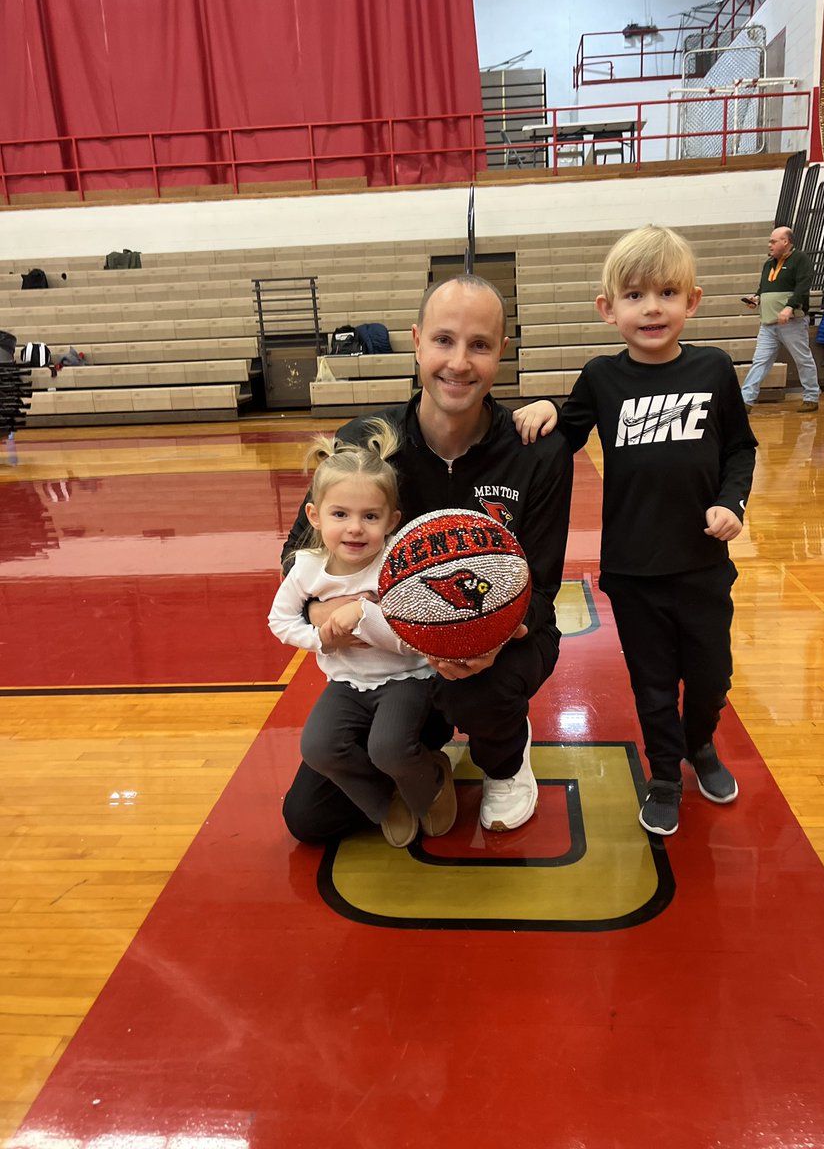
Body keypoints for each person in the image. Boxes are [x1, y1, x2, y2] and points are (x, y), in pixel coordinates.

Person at [280, 273, 573, 842]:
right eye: (443, 340)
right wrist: (322, 614)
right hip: (394, 662)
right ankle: (419, 765)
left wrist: (488, 642)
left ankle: (506, 759)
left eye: (479, 345)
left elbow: (540, 589)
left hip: (495, 648)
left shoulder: (537, 452)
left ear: (501, 354)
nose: (459, 363)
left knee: (482, 690)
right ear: (416, 341)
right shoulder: (365, 440)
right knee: (309, 819)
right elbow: (298, 556)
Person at [513, 225, 757, 836]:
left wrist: (733, 503)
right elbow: (561, 440)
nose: (652, 307)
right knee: (652, 685)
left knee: (710, 677)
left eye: (667, 292)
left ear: (692, 301)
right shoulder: (601, 378)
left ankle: (701, 745)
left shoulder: (714, 369)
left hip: (702, 565)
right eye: (635, 295)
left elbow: (740, 449)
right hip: (633, 571)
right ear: (608, 308)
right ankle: (666, 776)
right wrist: (545, 410)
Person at [269, 418, 457, 848]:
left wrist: (363, 614)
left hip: (405, 678)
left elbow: (417, 634)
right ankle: (383, 800)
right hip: (348, 682)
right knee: (317, 747)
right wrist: (322, 640)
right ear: (314, 517)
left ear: (392, 520)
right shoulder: (306, 568)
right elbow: (280, 621)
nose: (355, 528)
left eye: (369, 516)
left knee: (388, 748)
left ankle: (429, 784)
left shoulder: (398, 563)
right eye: (340, 514)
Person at [740, 226, 820, 413]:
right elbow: (764, 288)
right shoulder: (769, 264)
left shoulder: (800, 259)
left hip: (792, 323)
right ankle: (746, 400)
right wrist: (756, 298)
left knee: (802, 359)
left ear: (786, 242)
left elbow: (803, 286)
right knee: (760, 361)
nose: (770, 245)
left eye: (773, 241)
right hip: (768, 323)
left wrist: (790, 306)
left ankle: (811, 397)